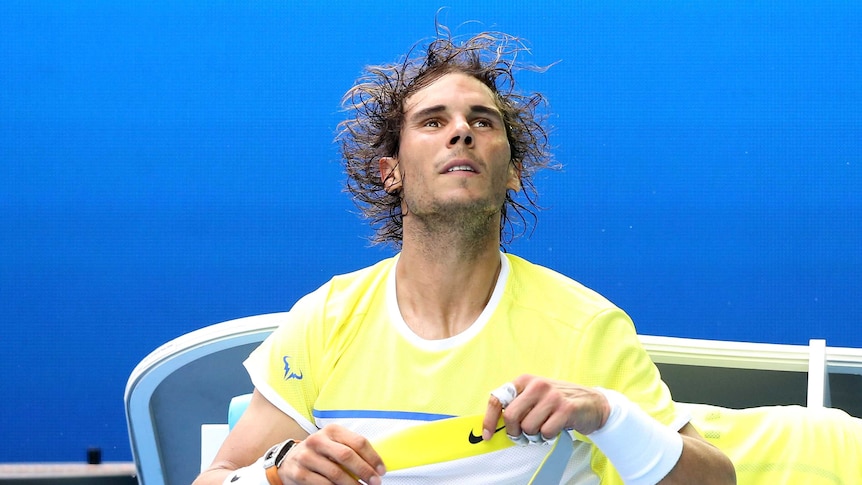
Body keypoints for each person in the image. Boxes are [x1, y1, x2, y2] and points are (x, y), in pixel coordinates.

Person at [194, 26, 736, 485]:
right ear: (392, 173)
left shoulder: (585, 326)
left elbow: (717, 478)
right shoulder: (325, 316)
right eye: (433, 122)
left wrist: (607, 413)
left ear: (513, 171)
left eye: (483, 121)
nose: (461, 132)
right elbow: (217, 475)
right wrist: (276, 468)